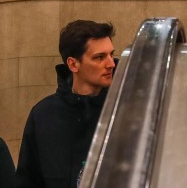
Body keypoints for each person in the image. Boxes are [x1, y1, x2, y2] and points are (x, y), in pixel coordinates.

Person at [16, 21, 116, 188]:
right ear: (73, 64)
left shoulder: (125, 109)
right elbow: (28, 180)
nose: (111, 64)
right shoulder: (43, 115)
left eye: (111, 54)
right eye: (99, 57)